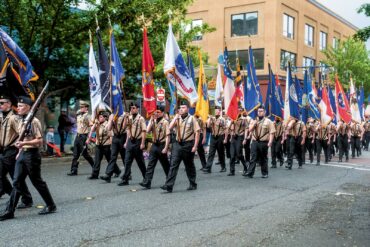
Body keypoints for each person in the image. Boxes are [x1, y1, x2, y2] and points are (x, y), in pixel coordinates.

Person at [0, 96, 56, 221]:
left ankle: (51, 205)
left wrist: (24, 144)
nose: (18, 108)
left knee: (37, 181)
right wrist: (20, 150)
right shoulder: (21, 121)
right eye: (18, 106)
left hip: (32, 155)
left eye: (21, 106)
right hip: (22, 155)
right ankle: (10, 211)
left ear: (28, 107)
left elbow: (40, 141)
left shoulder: (34, 121)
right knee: (16, 182)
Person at [0, 94, 33, 206]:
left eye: (2, 103)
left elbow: (23, 132)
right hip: (3, 150)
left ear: (9, 104)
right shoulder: (2, 117)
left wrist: (21, 148)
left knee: (17, 177)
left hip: (12, 150)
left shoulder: (14, 118)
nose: (0, 105)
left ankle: (27, 199)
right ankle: (12, 195)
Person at [160, 101, 200, 193]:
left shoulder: (192, 119)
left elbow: (197, 133)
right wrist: (175, 118)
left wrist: (195, 146)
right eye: (180, 107)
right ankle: (169, 185)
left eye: (183, 107)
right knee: (173, 165)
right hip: (177, 144)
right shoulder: (177, 118)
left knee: (189, 165)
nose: (181, 109)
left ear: (188, 109)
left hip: (188, 144)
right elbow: (169, 128)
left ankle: (192, 183)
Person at [139, 104, 170, 189]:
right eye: (156, 112)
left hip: (162, 145)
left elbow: (168, 136)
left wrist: (166, 147)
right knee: (150, 164)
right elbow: (147, 131)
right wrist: (151, 121)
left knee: (165, 165)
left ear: (162, 113)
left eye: (158, 112)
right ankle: (147, 182)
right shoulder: (154, 121)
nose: (156, 113)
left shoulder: (165, 122)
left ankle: (169, 181)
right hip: (154, 145)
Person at [118, 102, 147, 186]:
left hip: (138, 142)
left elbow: (144, 131)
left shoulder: (141, 118)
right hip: (130, 142)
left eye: (134, 108)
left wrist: (142, 143)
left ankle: (146, 178)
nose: (132, 109)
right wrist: (126, 118)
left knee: (140, 162)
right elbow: (124, 128)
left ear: (137, 109)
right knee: (127, 161)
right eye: (131, 108)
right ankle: (125, 179)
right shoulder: (129, 118)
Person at [245, 106, 275, 178]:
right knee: (253, 157)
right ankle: (250, 172)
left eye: (261, 111)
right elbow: (250, 130)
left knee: (263, 158)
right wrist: (254, 124)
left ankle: (264, 173)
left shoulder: (269, 121)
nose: (259, 112)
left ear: (264, 112)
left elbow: (272, 132)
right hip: (255, 142)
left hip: (263, 142)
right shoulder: (254, 121)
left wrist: (270, 141)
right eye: (258, 111)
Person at [100, 111, 128, 183]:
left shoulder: (124, 114)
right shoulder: (112, 115)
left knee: (124, 156)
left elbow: (125, 127)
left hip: (122, 136)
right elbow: (108, 128)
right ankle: (108, 175)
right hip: (115, 137)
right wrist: (110, 119)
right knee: (113, 156)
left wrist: (125, 117)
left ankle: (128, 173)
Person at [67, 101, 94, 176]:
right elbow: (75, 114)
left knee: (85, 154)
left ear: (86, 108)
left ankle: (95, 167)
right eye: (80, 107)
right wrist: (79, 111)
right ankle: (74, 170)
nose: (81, 108)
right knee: (75, 154)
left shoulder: (88, 116)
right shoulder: (79, 115)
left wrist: (89, 138)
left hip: (84, 136)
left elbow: (91, 127)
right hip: (78, 136)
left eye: (82, 107)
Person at [87, 111, 112, 179]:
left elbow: (110, 135)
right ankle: (94, 174)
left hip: (106, 145)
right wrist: (95, 124)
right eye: (99, 117)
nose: (99, 118)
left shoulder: (107, 124)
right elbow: (92, 130)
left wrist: (111, 143)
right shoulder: (98, 124)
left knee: (110, 160)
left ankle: (117, 171)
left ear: (105, 118)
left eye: (101, 117)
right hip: (98, 144)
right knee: (97, 160)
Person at [203, 106, 227, 173]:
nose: (216, 112)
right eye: (215, 111)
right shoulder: (212, 118)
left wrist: (225, 138)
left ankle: (223, 167)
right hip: (213, 137)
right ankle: (208, 168)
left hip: (220, 137)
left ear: (219, 111)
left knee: (221, 153)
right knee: (211, 153)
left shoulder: (222, 119)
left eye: (217, 110)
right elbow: (207, 126)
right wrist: (210, 119)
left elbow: (225, 129)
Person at [227, 105, 248, 176]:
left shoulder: (244, 120)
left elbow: (246, 129)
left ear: (241, 111)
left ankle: (245, 167)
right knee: (232, 155)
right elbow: (229, 128)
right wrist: (231, 133)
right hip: (234, 137)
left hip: (240, 137)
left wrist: (245, 139)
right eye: (237, 110)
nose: (238, 111)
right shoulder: (233, 119)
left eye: (239, 110)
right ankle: (232, 171)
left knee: (239, 154)